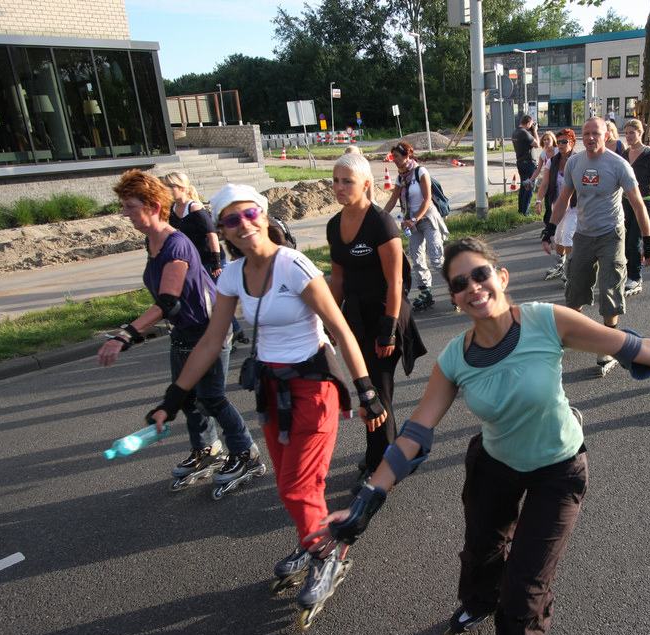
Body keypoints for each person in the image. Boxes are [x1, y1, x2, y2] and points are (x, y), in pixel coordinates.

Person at [303, 236, 650, 635]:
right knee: (480, 552)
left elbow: (633, 347)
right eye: (460, 284)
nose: (473, 288)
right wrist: (367, 501)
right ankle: (480, 601)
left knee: (525, 591)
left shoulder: (546, 320)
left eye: (480, 275)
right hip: (494, 465)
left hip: (558, 469)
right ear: (455, 299)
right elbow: (415, 434)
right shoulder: (454, 358)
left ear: (501, 277)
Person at [146, 182, 387, 610]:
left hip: (313, 388)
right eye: (231, 220)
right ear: (221, 229)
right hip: (271, 391)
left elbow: (340, 329)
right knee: (293, 483)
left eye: (250, 214)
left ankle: (327, 555)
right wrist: (173, 396)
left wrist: (366, 391)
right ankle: (312, 538)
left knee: (296, 487)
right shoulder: (233, 274)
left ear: (263, 214)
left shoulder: (293, 266)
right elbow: (211, 341)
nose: (243, 225)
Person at [97, 170, 258, 490]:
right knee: (186, 397)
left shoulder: (176, 244)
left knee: (212, 398)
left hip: (209, 329)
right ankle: (207, 450)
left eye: (130, 206)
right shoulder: (152, 241)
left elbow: (168, 302)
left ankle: (246, 452)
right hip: (184, 330)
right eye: (124, 206)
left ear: (153, 207)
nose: (125, 213)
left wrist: (125, 334)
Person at [326, 153, 427, 482]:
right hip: (355, 315)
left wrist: (388, 330)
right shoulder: (334, 225)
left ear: (366, 184)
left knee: (376, 392)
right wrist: (330, 321)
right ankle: (386, 455)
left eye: (347, 181)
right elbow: (337, 279)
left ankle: (380, 465)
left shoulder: (381, 223)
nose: (339, 187)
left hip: (386, 313)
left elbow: (395, 282)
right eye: (336, 181)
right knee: (367, 387)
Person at [542, 117, 650, 376]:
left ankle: (609, 345)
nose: (591, 137)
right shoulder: (575, 163)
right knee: (575, 287)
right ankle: (570, 334)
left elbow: (638, 204)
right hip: (583, 234)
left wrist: (648, 242)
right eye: (586, 133)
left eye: (596, 133)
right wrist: (550, 228)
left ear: (606, 136)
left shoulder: (618, 165)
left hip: (611, 234)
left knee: (610, 288)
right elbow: (564, 198)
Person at [163, 171, 247, 346]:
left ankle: (228, 337)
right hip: (193, 262)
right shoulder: (173, 210)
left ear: (182, 188)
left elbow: (212, 235)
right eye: (166, 186)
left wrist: (216, 262)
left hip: (210, 261)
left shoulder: (194, 208)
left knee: (217, 300)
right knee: (207, 300)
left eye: (171, 186)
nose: (167, 189)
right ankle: (235, 329)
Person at [383, 141, 449, 313]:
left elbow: (427, 200)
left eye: (396, 156)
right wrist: (379, 216)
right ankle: (426, 292)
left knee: (436, 258)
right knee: (417, 258)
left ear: (407, 156)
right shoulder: (400, 177)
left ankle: (456, 286)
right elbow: (393, 199)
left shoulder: (420, 172)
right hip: (411, 222)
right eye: (393, 157)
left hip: (427, 219)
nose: (394, 160)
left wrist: (414, 218)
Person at [622, 118, 650, 297]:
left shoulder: (649, 153)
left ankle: (636, 277)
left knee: (634, 240)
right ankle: (627, 274)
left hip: (645, 200)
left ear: (640, 133)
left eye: (632, 133)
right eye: (626, 133)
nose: (629, 136)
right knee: (624, 240)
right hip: (626, 200)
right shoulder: (625, 154)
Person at [534, 128, 578, 284]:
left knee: (568, 236)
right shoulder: (552, 161)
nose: (561, 144)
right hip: (557, 205)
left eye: (564, 141)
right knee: (558, 236)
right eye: (558, 142)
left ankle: (571, 269)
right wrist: (539, 200)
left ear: (572, 143)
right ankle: (560, 263)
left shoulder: (578, 160)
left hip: (574, 206)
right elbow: (545, 183)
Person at [511, 115, 540, 216]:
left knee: (524, 187)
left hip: (520, 162)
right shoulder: (524, 133)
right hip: (529, 163)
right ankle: (526, 212)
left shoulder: (515, 132)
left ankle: (521, 210)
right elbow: (537, 144)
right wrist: (535, 131)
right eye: (531, 125)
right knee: (529, 187)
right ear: (528, 124)